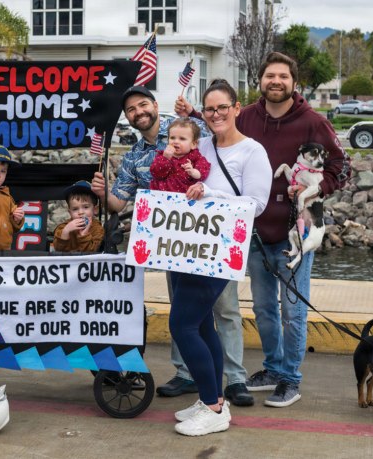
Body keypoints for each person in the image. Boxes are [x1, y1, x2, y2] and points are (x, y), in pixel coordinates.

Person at [93, 86, 255, 407]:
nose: (138, 112)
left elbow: (224, 135)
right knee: (187, 313)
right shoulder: (134, 156)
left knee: (224, 308)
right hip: (171, 243)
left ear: (155, 104)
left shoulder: (186, 128)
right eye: (131, 110)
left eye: (143, 105)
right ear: (127, 118)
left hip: (209, 238)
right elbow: (117, 203)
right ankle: (187, 374)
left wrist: (195, 112)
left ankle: (235, 379)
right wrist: (102, 192)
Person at [238, 52, 348, 407]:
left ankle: (290, 379)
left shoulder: (313, 121)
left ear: (293, 83)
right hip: (255, 233)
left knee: (293, 311)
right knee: (264, 308)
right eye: (270, 75)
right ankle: (272, 368)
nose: (276, 81)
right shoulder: (246, 119)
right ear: (260, 80)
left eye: (283, 76)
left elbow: (340, 168)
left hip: (297, 233)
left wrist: (314, 188)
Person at [170, 78, 271, 436]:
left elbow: (256, 205)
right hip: (188, 246)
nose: (215, 114)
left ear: (236, 108)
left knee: (181, 325)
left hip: (219, 250)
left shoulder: (252, 151)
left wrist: (211, 193)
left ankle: (213, 406)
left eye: (222, 108)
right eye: (209, 109)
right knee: (199, 324)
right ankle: (210, 398)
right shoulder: (205, 146)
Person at [149, 118, 210, 192]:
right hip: (161, 196)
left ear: (193, 144)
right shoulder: (162, 156)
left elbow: (203, 171)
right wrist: (165, 159)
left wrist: (193, 172)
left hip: (184, 197)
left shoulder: (195, 157)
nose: (175, 141)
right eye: (172, 138)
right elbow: (156, 173)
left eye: (182, 139)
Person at [52, 180, 104, 253]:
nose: (81, 212)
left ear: (95, 210)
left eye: (86, 207)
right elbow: (58, 249)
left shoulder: (97, 229)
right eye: (75, 209)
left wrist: (84, 236)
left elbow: (93, 253)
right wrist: (65, 232)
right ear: (70, 212)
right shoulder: (63, 227)